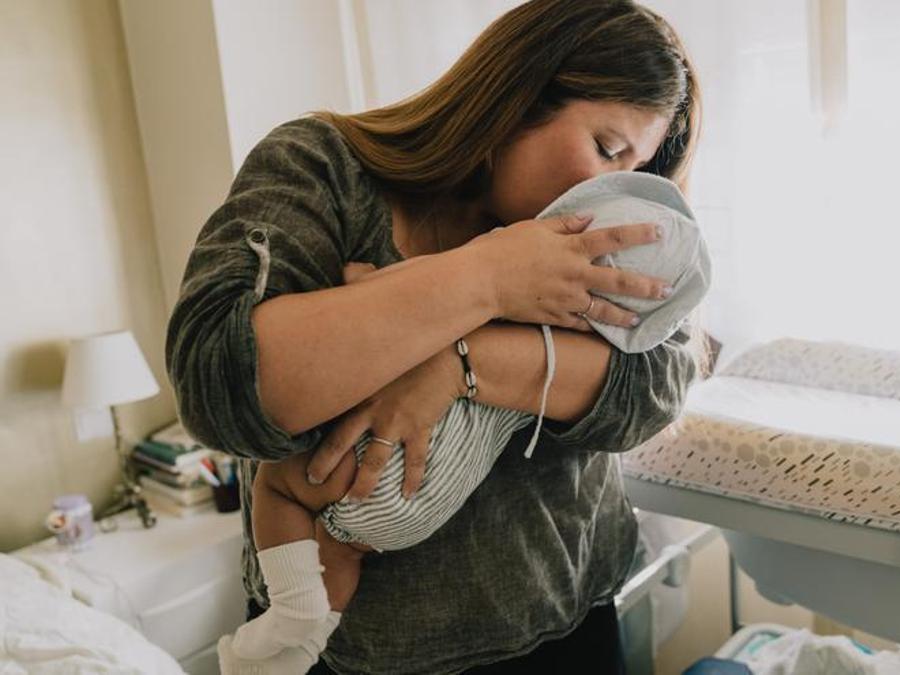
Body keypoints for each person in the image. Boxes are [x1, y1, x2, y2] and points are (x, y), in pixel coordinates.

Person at [165, 0, 704, 672]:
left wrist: (460, 359)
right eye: (605, 148)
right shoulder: (322, 168)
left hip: (562, 631)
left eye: (632, 171)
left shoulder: (606, 243)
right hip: (354, 653)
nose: (608, 188)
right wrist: (488, 279)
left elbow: (655, 384)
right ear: (520, 93)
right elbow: (221, 384)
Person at [217, 170, 711, 674]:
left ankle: (297, 615)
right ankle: (308, 633)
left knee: (279, 487)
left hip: (376, 468)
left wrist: (367, 283)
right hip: (424, 501)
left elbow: (393, 296)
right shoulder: (584, 341)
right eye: (607, 148)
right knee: (344, 548)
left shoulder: (504, 283)